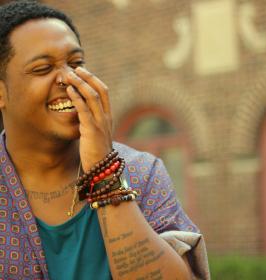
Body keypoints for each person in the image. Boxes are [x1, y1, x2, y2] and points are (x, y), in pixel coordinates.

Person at [0, 1, 209, 279]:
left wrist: (104, 171)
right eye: (42, 68)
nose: (69, 78)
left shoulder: (142, 172)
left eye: (76, 63)